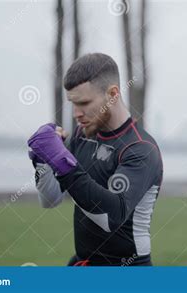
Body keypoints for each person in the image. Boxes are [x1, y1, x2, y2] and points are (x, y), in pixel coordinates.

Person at [27, 53, 163, 266]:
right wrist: (43, 162)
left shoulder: (140, 149)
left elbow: (111, 218)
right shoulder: (83, 136)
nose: (76, 114)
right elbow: (51, 200)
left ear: (113, 94)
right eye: (73, 103)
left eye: (84, 103)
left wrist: (62, 162)